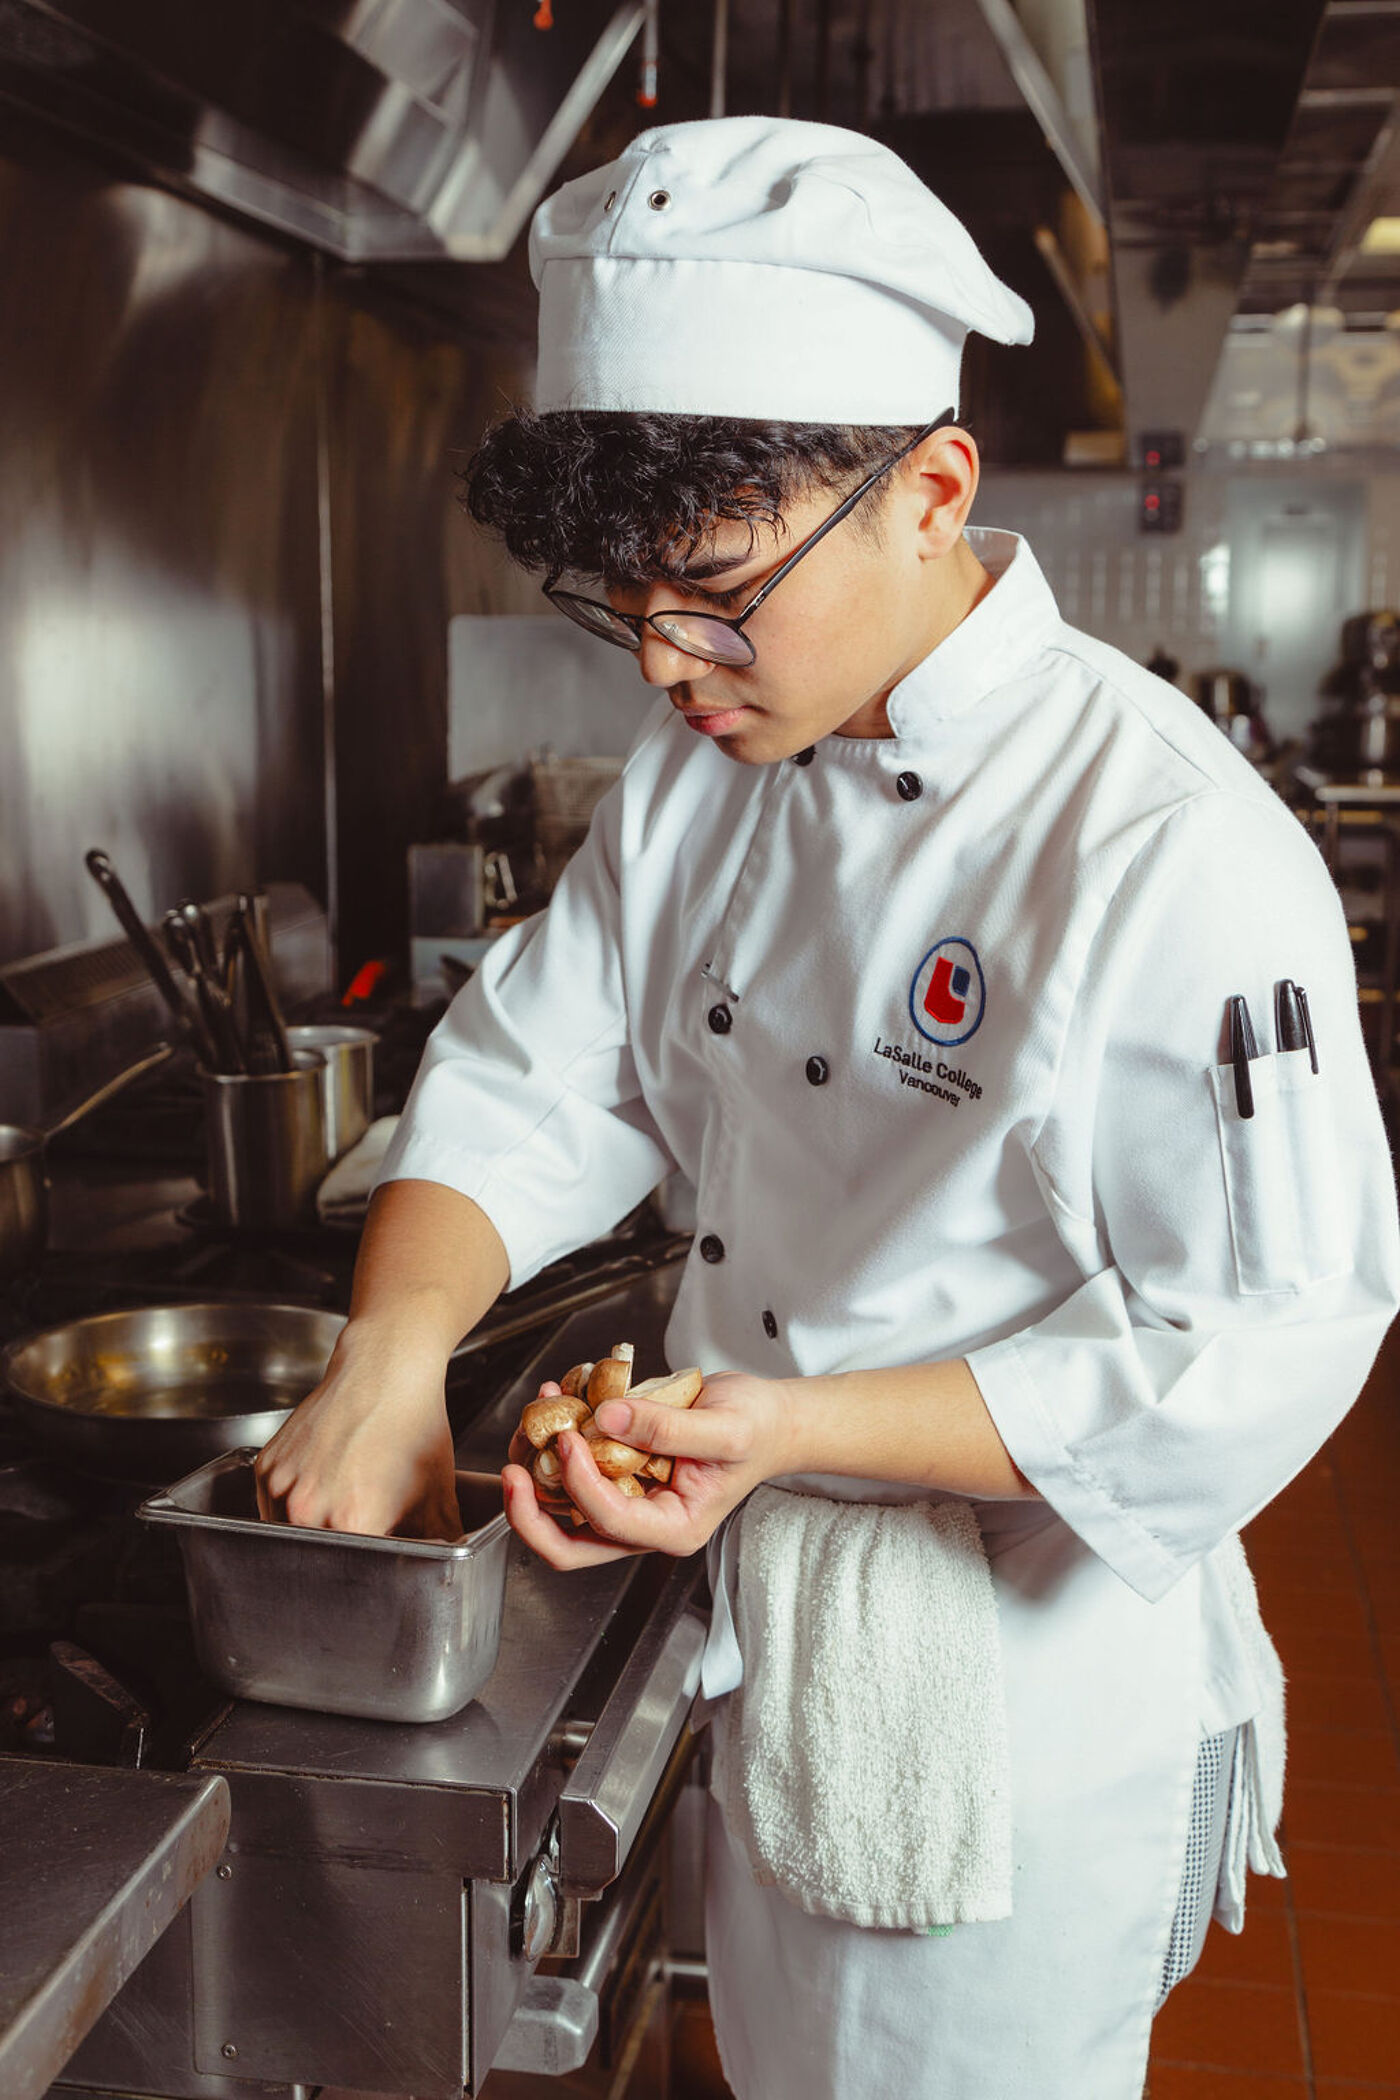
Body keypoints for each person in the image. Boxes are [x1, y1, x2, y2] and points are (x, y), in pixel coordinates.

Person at [255, 118, 1400, 2100]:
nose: (671, 666)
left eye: (713, 594)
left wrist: (793, 1426)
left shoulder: (1156, 842)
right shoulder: (706, 773)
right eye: (622, 613)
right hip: (777, 1622)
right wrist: (391, 1346)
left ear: (931, 488)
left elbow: (1269, 1341)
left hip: (1006, 1700)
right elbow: (548, 1073)